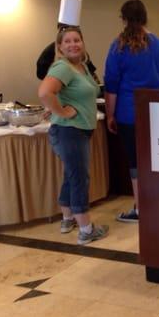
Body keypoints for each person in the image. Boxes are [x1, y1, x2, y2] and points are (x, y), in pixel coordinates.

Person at [104, 0, 159, 223]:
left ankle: (141, 208)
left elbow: (112, 86)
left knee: (136, 162)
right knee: (158, 159)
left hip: (129, 113)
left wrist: (110, 115)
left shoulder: (118, 47)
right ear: (145, 18)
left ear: (123, 19)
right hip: (158, 112)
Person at [38, 26, 108, 245]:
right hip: (70, 130)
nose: (73, 44)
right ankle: (86, 229)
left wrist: (62, 106)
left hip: (79, 130)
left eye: (77, 40)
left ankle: (68, 219)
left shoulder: (81, 67)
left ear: (83, 43)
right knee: (79, 178)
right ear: (59, 46)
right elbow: (44, 92)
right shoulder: (63, 67)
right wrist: (62, 111)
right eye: (67, 41)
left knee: (71, 175)